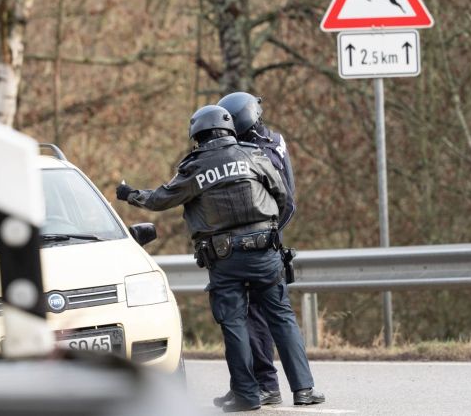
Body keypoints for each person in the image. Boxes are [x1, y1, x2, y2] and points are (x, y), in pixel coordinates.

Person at [116, 105, 324, 412]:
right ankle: (304, 390)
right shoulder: (255, 155)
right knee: (282, 318)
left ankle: (247, 396)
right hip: (266, 252)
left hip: (225, 259)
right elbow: (283, 196)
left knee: (235, 323)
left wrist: (129, 193)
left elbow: (160, 199)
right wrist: (269, 230)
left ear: (198, 134)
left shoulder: (195, 166)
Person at [211, 92, 296, 408]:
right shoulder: (270, 140)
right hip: (260, 244)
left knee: (253, 317)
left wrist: (263, 237)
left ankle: (265, 386)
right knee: (242, 318)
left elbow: (282, 201)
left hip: (257, 247)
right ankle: (244, 384)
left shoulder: (258, 152)